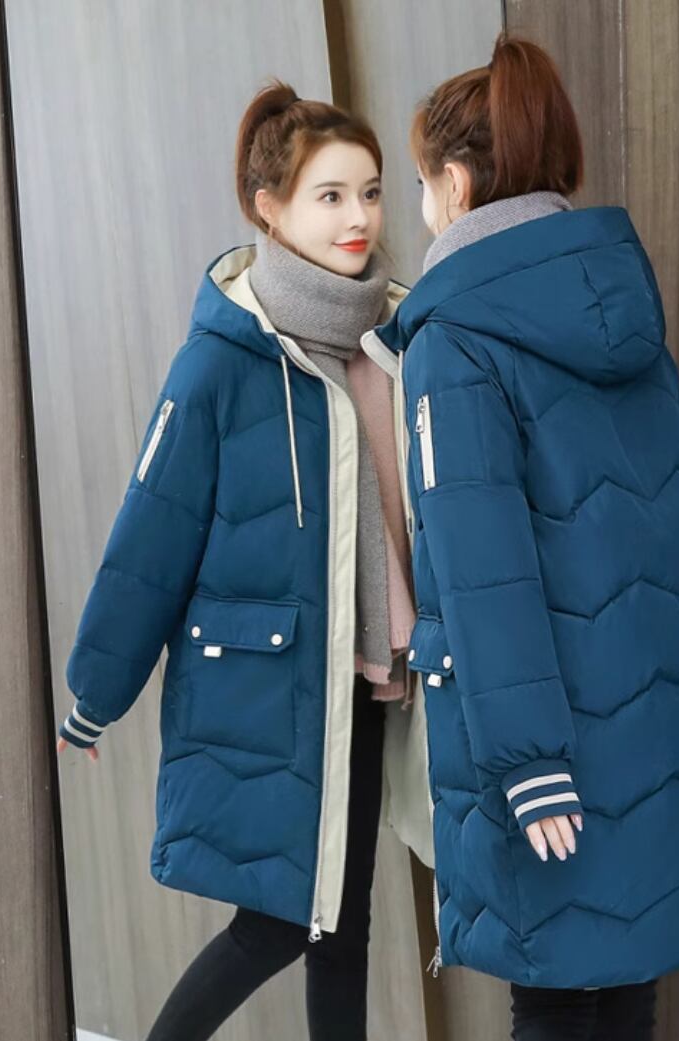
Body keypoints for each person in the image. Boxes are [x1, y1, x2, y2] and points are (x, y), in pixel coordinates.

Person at [359, 33, 679, 1041]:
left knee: (551, 987)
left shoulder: (453, 338)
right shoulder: (619, 306)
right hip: (649, 708)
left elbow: (483, 570)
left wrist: (528, 762)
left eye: (418, 183)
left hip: (543, 726)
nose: (418, 207)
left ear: (456, 186)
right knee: (623, 957)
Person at [56, 81, 417, 1041]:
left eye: (370, 191)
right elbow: (151, 536)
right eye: (329, 196)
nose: (357, 217)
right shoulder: (222, 359)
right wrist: (96, 689)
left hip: (365, 679)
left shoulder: (392, 341)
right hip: (268, 682)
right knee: (281, 920)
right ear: (270, 209)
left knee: (341, 923)